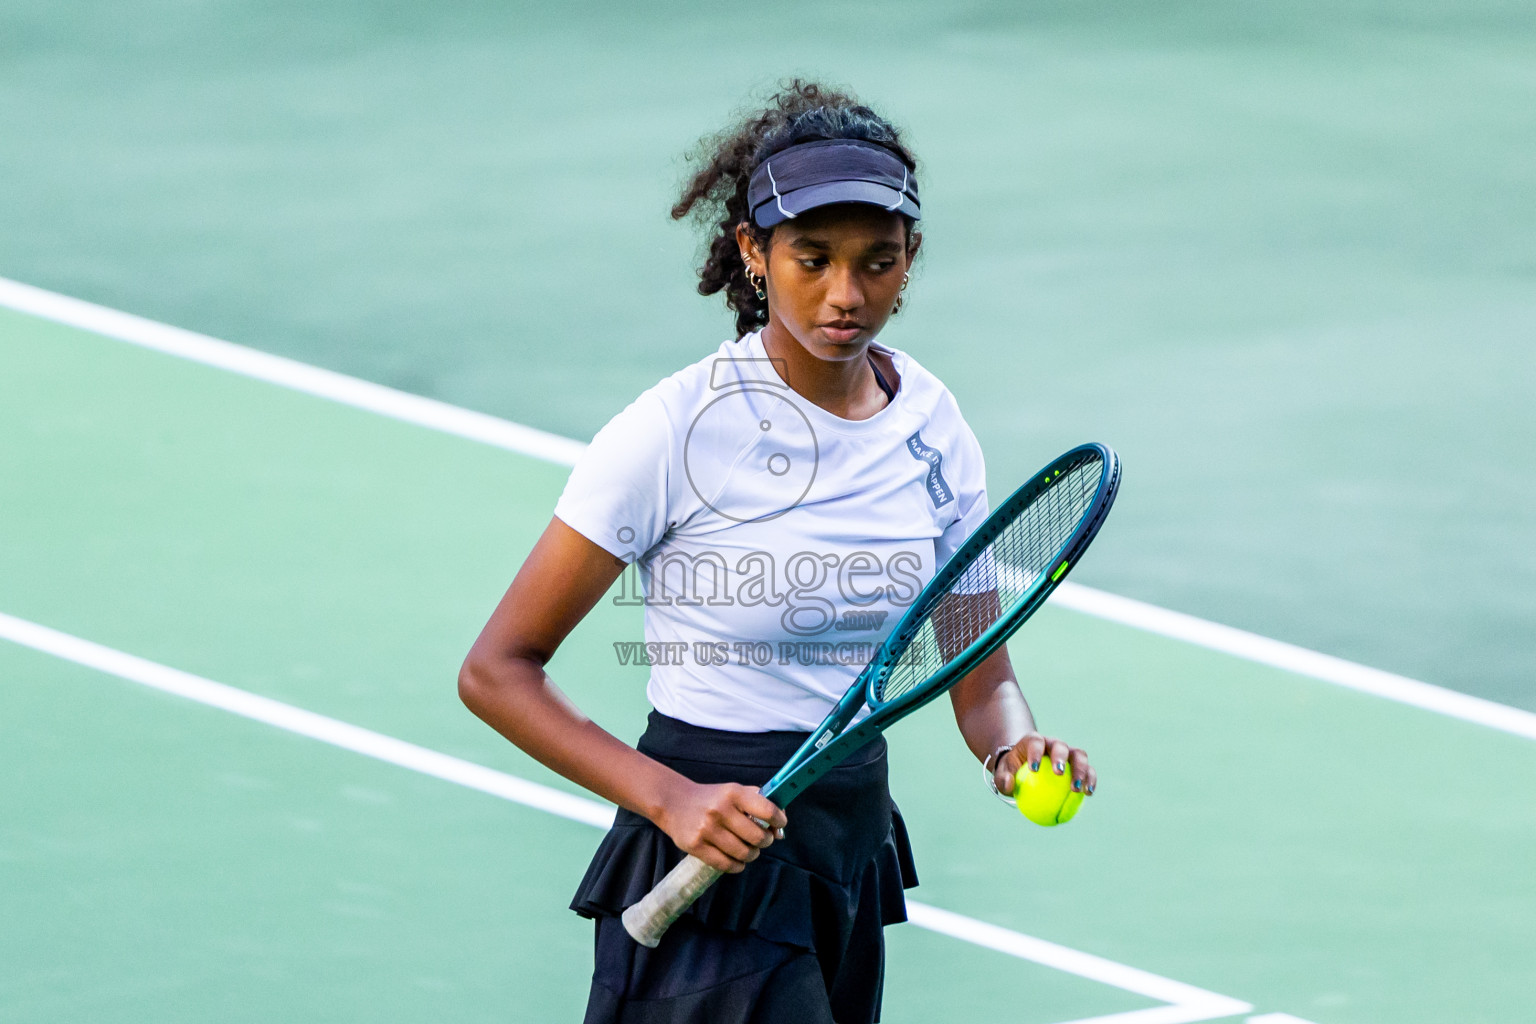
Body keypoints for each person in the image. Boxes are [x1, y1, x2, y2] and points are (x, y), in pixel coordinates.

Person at [459, 80, 1097, 1024]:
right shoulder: (676, 431)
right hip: (710, 842)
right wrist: (673, 801)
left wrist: (1012, 746)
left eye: (878, 263)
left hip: (845, 839)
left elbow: (980, 673)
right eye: (813, 260)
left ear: (911, 259)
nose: (847, 295)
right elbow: (496, 670)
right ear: (755, 254)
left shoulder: (931, 422)